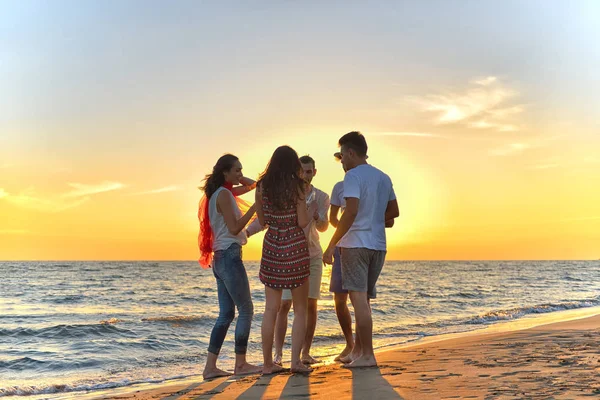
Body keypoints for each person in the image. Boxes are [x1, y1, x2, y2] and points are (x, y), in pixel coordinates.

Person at [323, 132, 399, 368]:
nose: (342, 161)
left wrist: (332, 243)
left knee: (358, 302)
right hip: (378, 246)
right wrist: (375, 218)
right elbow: (393, 212)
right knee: (363, 301)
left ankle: (367, 355)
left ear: (351, 153)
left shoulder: (353, 176)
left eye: (343, 155)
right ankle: (360, 351)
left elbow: (351, 210)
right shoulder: (383, 177)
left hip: (355, 244)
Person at [198, 154, 262, 379]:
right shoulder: (224, 194)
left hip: (220, 258)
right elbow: (235, 228)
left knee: (226, 314)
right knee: (246, 310)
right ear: (224, 172)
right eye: (236, 170)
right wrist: (256, 206)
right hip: (230, 257)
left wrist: (241, 177)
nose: (240, 174)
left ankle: (210, 368)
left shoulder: (221, 192)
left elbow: (254, 185)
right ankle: (241, 364)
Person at [256, 145, 312, 374]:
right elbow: (301, 221)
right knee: (301, 309)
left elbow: (261, 221)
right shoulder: (298, 187)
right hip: (295, 247)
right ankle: (295, 362)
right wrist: (309, 211)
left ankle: (268, 363)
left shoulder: (261, 187)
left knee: (271, 309)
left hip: (272, 246)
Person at [273, 155, 330, 366]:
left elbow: (324, 227)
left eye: (308, 171)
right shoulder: (288, 195)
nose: (305, 175)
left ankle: (305, 352)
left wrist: (317, 216)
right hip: (290, 255)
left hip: (313, 254)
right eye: (301, 171)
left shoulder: (322, 197)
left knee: (311, 305)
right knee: (284, 304)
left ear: (314, 172)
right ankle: (278, 354)